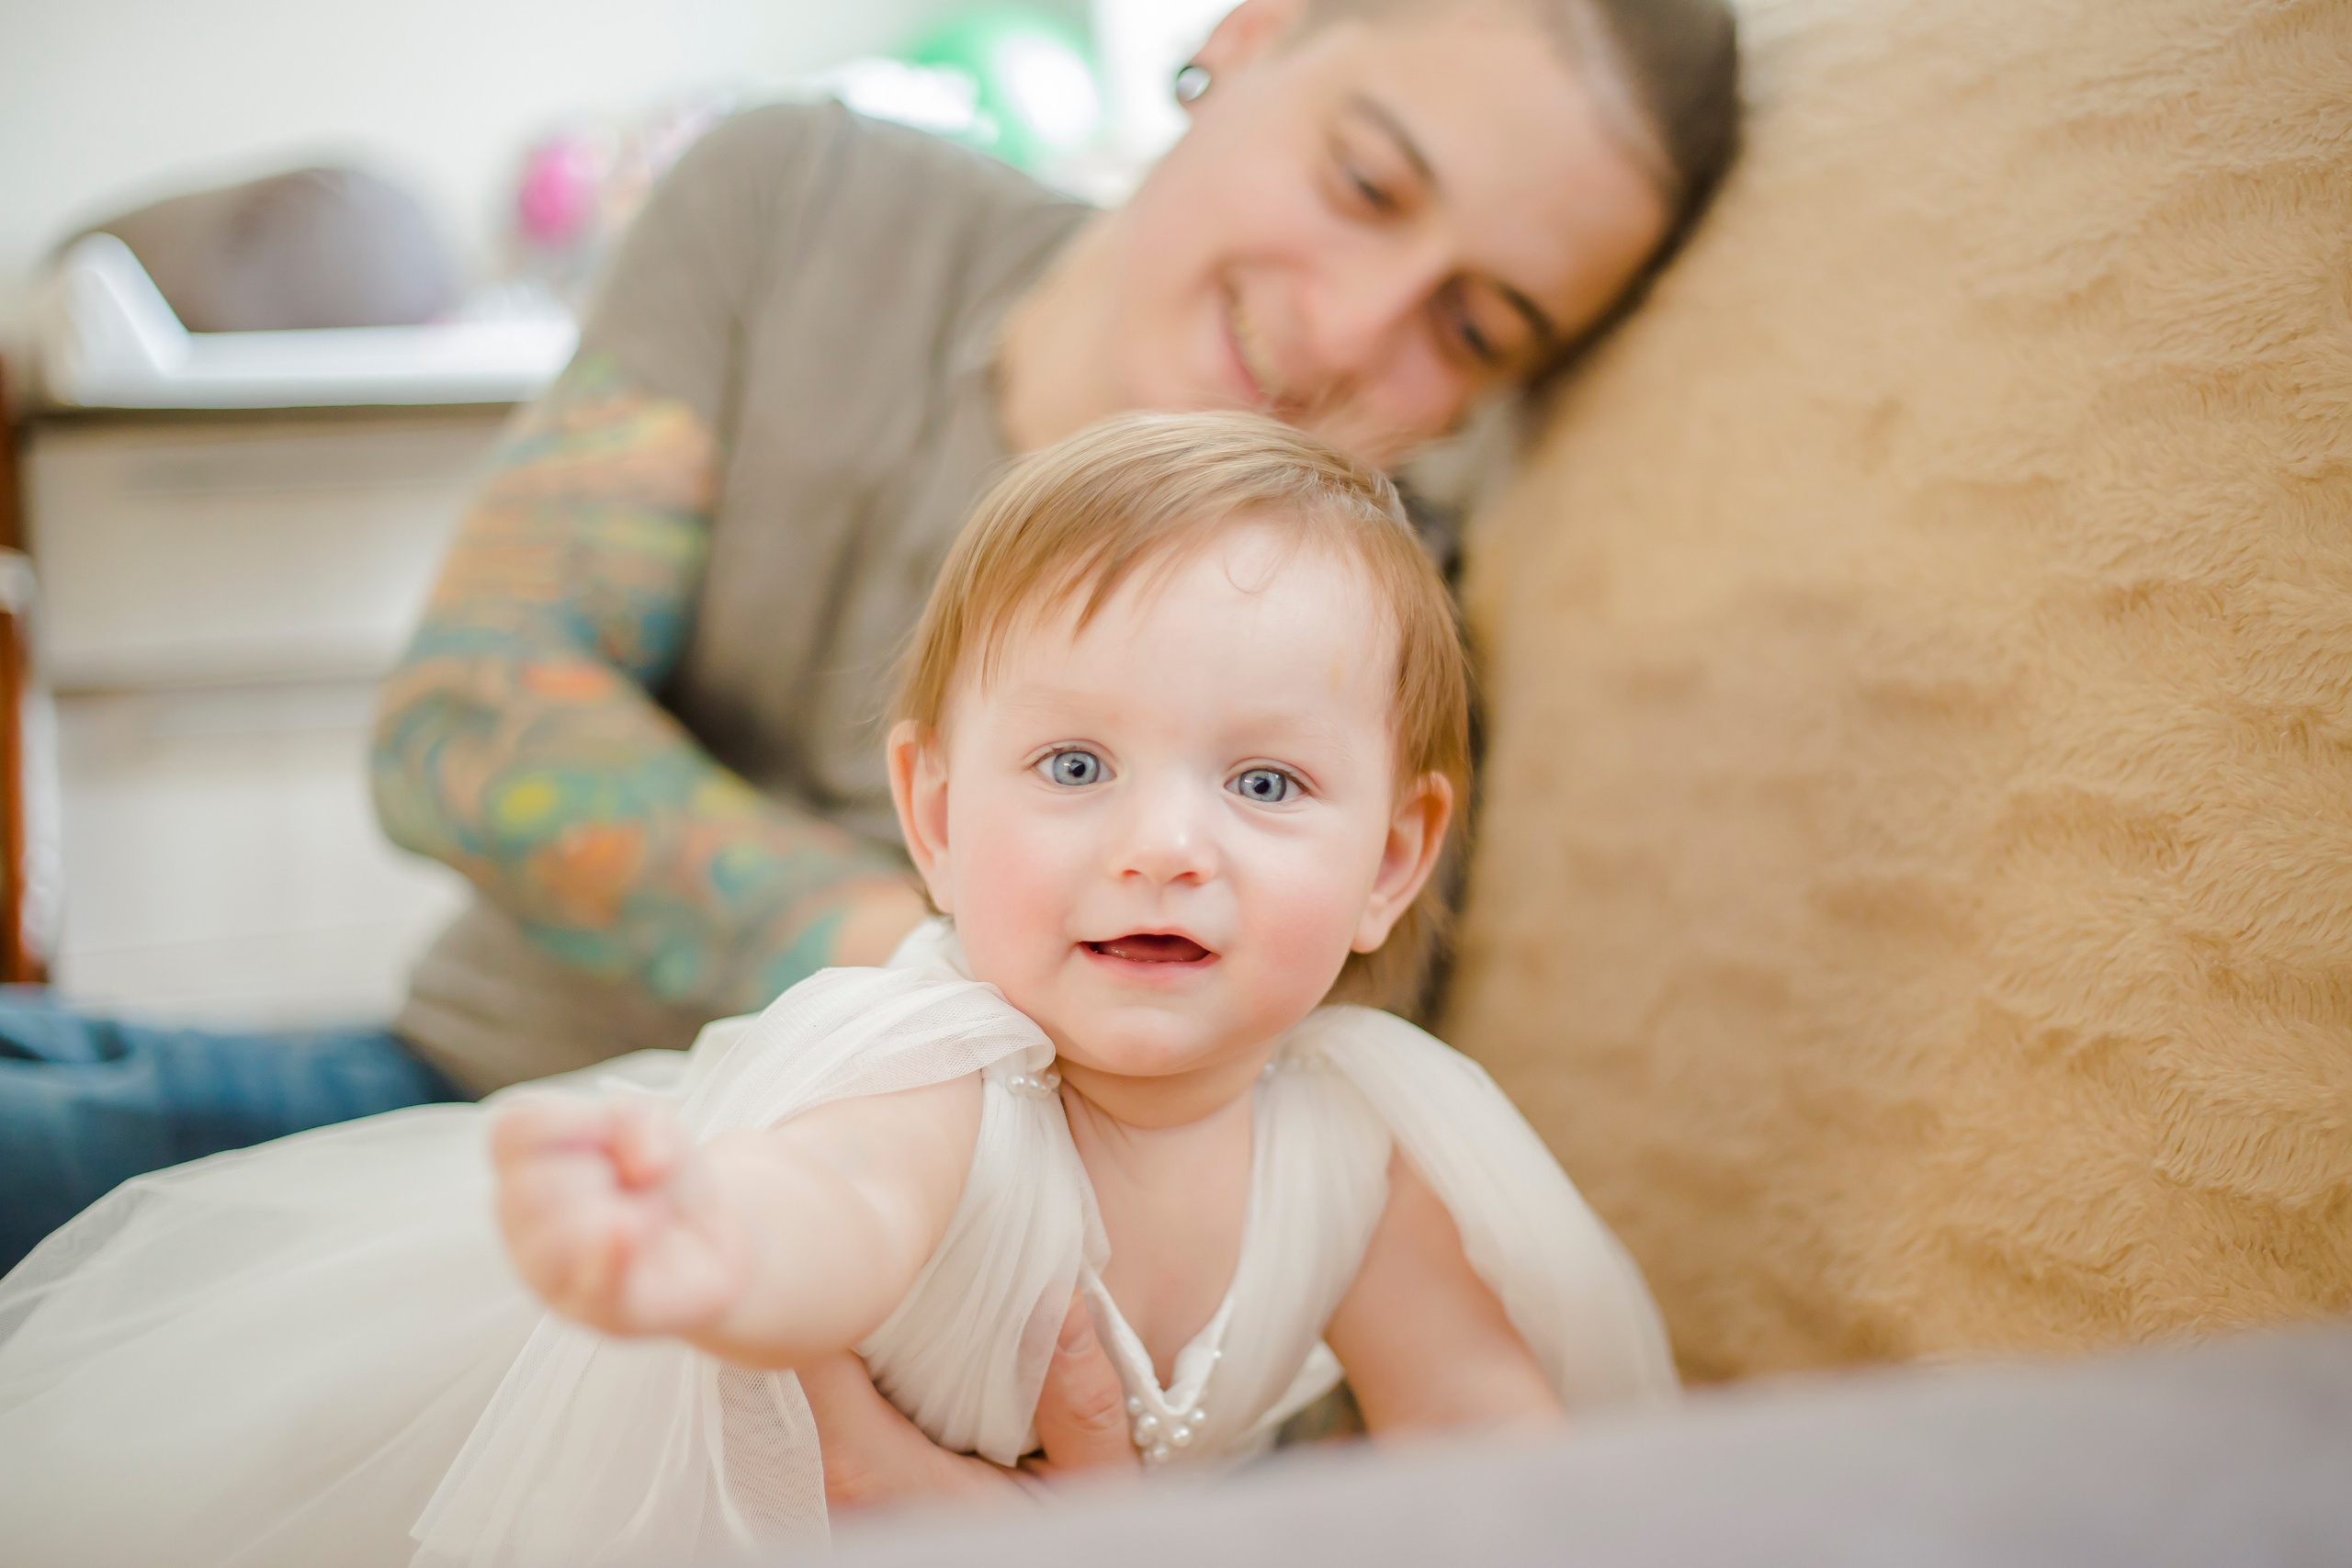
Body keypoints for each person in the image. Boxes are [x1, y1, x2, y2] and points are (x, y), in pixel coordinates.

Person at [0, 412, 1676, 1565]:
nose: (1166, 847)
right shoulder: (941, 1064)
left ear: (1395, 854)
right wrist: (713, 1244)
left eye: (1265, 786)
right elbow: (839, 1207)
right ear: (937, 815)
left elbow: (1474, 1407)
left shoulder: (1361, 1148)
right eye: (1077, 763)